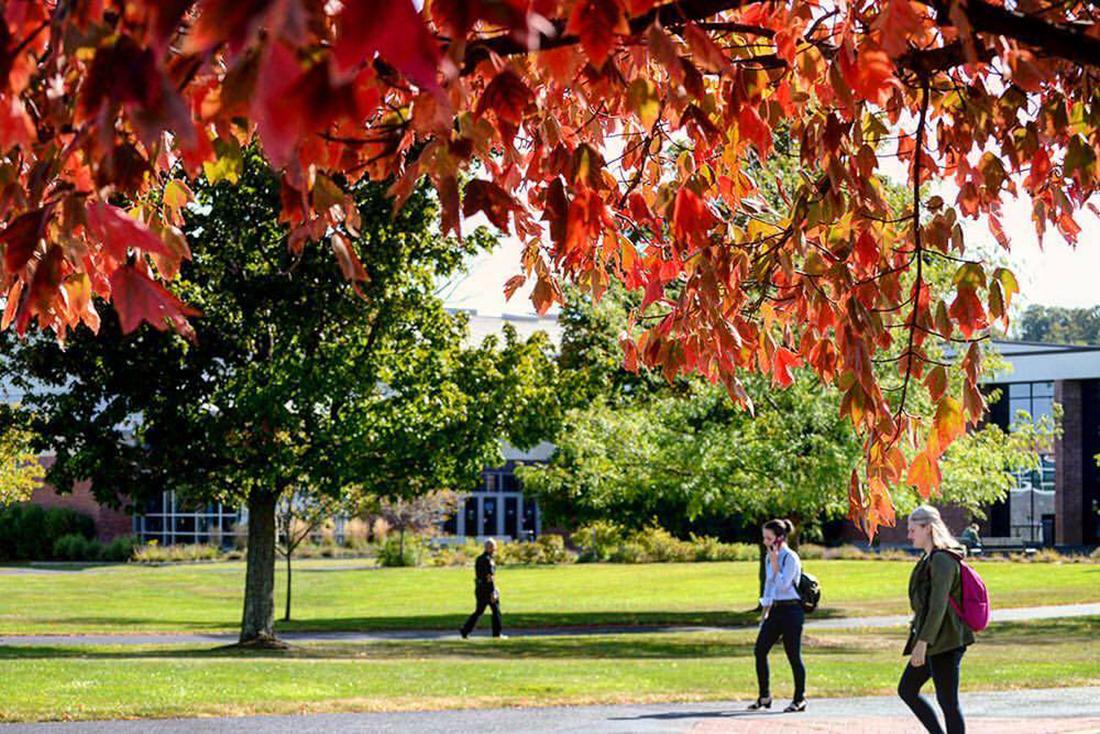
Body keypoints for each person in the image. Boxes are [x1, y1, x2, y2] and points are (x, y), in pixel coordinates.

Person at [898, 505, 974, 734]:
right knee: (908, 689)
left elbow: (938, 606)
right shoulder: (928, 558)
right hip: (934, 639)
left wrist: (922, 643)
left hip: (947, 640)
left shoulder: (942, 560)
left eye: (913, 530)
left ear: (928, 528)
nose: (909, 535)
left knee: (948, 703)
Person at [748, 518, 806, 713]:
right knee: (760, 650)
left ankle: (799, 699)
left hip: (792, 611)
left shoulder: (790, 558)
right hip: (776, 610)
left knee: (793, 655)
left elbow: (783, 584)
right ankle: (764, 696)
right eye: (764, 538)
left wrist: (775, 563)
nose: (765, 542)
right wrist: (765, 612)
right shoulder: (768, 557)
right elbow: (770, 586)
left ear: (780, 538)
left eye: (769, 538)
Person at [460, 538, 504, 639]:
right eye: (493, 547)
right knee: (496, 611)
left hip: (479, 588)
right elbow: (489, 577)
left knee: (479, 611)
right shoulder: (488, 560)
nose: (495, 549)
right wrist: (493, 591)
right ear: (489, 547)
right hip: (487, 589)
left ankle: (465, 630)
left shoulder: (479, 558)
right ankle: (497, 634)